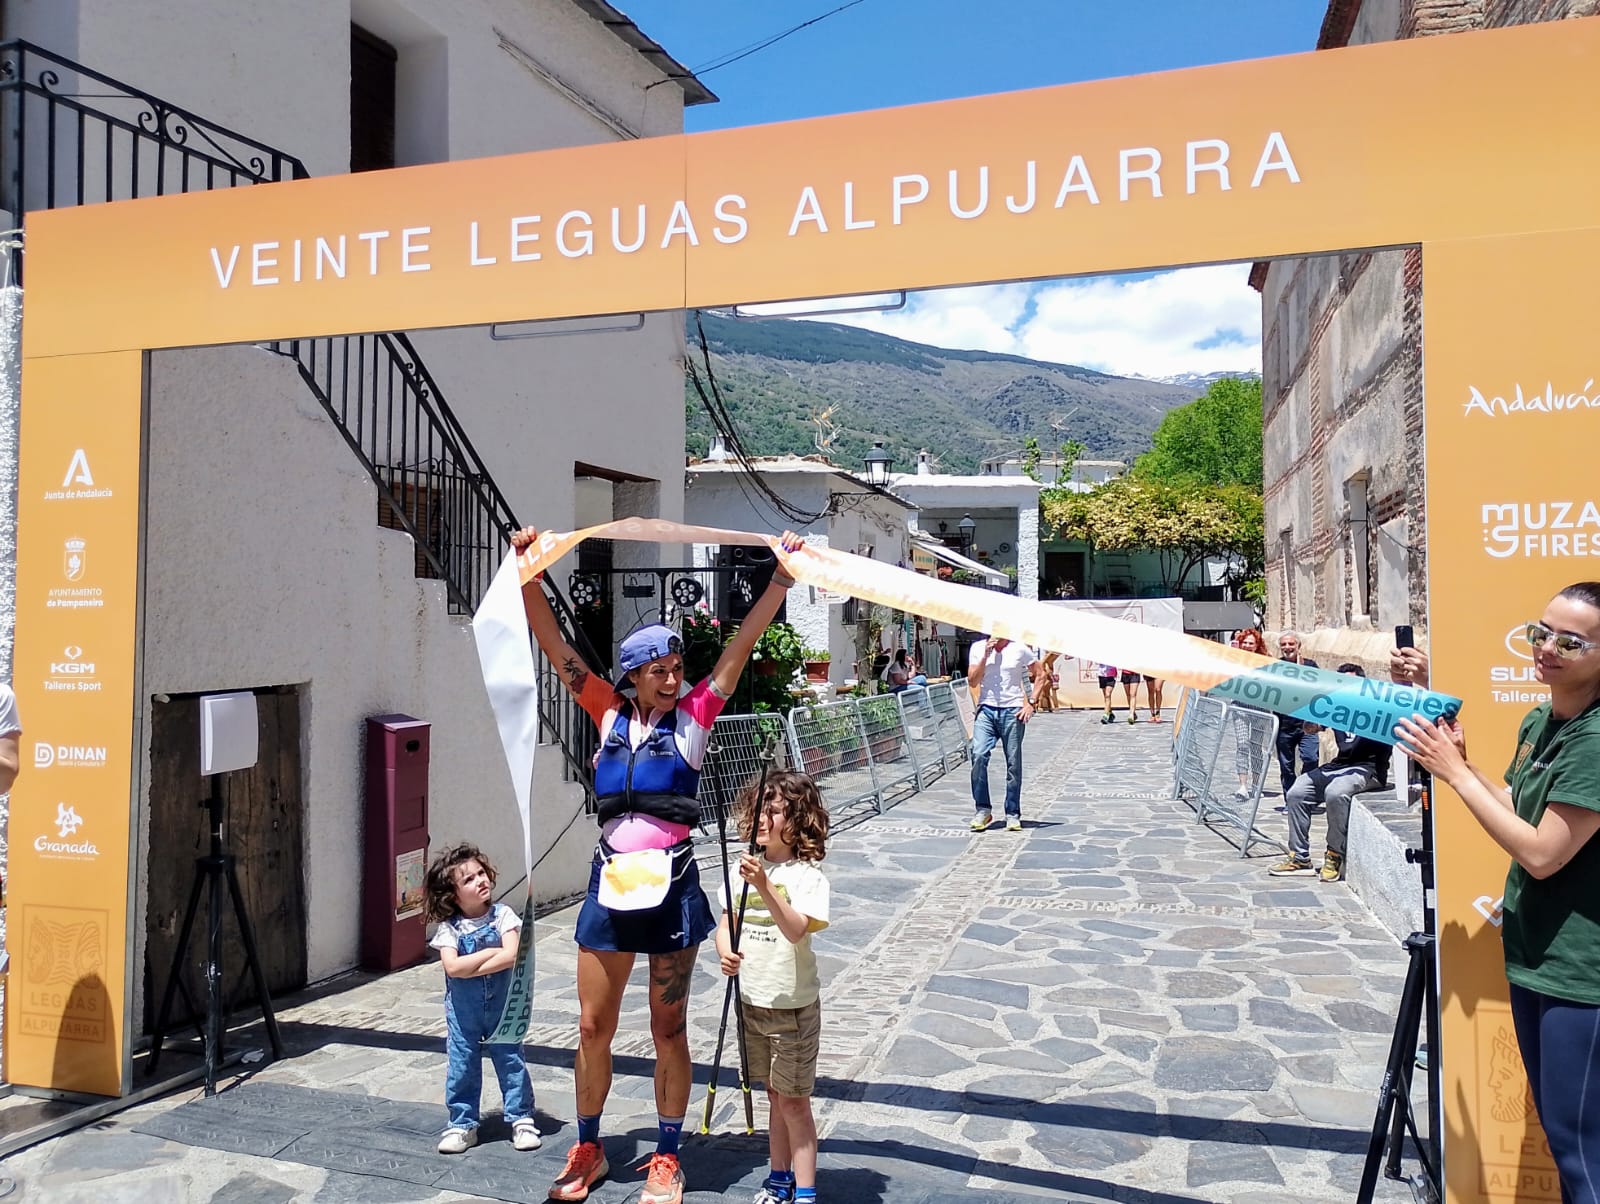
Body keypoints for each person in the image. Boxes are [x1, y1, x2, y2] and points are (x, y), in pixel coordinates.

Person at [512, 526, 801, 1204]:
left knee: (667, 1026)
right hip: (611, 884)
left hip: (672, 886)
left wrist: (781, 581)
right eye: (659, 671)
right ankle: (589, 1148)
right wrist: (529, 573)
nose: (673, 680)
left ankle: (668, 1157)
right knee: (592, 1027)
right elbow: (555, 648)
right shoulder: (606, 713)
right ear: (632, 676)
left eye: (676, 668)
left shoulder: (695, 717)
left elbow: (739, 648)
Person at [1397, 582, 1600, 1204]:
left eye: (1571, 642)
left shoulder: (1595, 740)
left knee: (1581, 1149)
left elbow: (1541, 854)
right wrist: (1464, 766)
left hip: (1583, 971)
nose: (1547, 649)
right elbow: (1519, 806)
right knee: (1565, 1138)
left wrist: (1455, 774)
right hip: (1536, 955)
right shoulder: (1541, 720)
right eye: (1542, 633)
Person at [715, 771, 831, 1204]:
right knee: (773, 1096)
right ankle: (779, 1178)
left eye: (774, 811)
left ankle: (806, 1191)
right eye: (758, 809)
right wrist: (726, 951)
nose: (761, 819)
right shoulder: (740, 868)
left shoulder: (806, 877)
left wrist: (763, 884)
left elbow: (796, 929)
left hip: (792, 1008)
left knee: (794, 1103)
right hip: (752, 1002)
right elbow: (726, 924)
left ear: (797, 821)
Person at [425, 843, 540, 1155]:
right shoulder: (449, 929)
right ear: (453, 895)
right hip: (464, 1014)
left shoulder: (503, 916)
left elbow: (513, 954)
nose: (480, 881)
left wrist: (471, 965)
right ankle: (462, 1124)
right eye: (468, 879)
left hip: (503, 1009)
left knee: (510, 1059)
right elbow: (451, 967)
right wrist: (492, 952)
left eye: (480, 873)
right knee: (462, 1064)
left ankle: (521, 1118)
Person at [1269, 664, 1389, 880]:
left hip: (1368, 768)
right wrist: (1311, 720)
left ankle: (1334, 854)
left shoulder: (1377, 709)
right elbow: (1310, 728)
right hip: (1339, 765)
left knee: (1335, 792)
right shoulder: (1337, 707)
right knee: (1297, 792)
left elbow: (1388, 732)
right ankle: (1300, 857)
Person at [967, 635, 1045, 832]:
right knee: (978, 755)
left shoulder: (1019, 648)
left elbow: (1041, 674)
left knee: (1013, 763)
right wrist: (985, 656)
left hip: (1012, 710)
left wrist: (1031, 703)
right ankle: (983, 809)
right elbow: (973, 681)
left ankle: (1012, 812)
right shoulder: (978, 648)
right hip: (986, 708)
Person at [1274, 631, 1321, 793]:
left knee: (1311, 758)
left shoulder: (1310, 666)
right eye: (1284, 644)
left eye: (1291, 644)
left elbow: (1320, 689)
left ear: (1298, 646)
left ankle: (1303, 792)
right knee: (1286, 766)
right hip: (1284, 725)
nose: (1287, 647)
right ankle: (1290, 797)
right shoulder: (1275, 667)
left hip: (1307, 724)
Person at [1230, 629, 1273, 800]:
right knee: (1242, 744)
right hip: (1240, 707)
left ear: (1257, 645)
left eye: (1251, 643)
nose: (1247, 646)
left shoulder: (1266, 662)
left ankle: (1256, 785)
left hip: (1260, 709)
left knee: (1256, 747)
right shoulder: (1234, 660)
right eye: (1245, 642)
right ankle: (1242, 785)